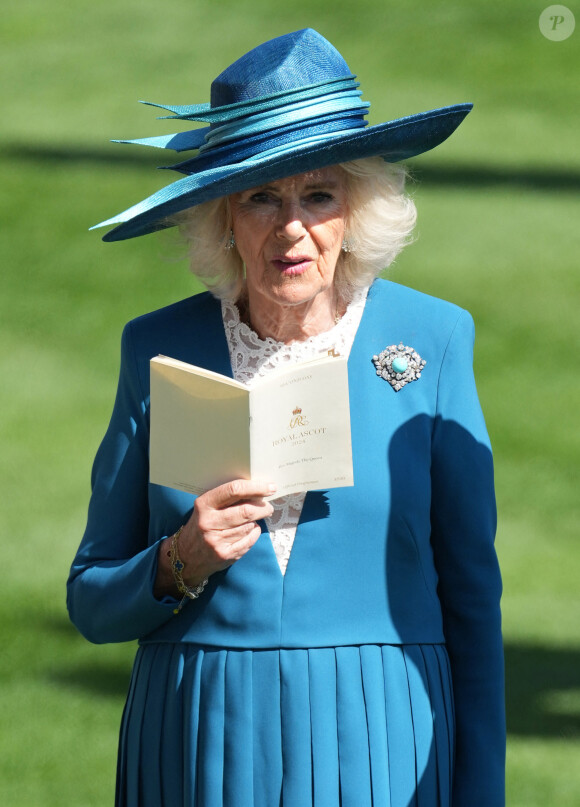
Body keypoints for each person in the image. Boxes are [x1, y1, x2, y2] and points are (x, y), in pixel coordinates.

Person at [67, 28, 505, 807]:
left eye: (318, 194)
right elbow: (91, 596)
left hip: (383, 734)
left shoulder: (433, 340)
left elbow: (471, 595)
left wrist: (481, 791)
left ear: (357, 206)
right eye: (261, 196)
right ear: (222, 218)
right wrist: (176, 560)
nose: (290, 226)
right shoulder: (158, 347)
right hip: (196, 739)